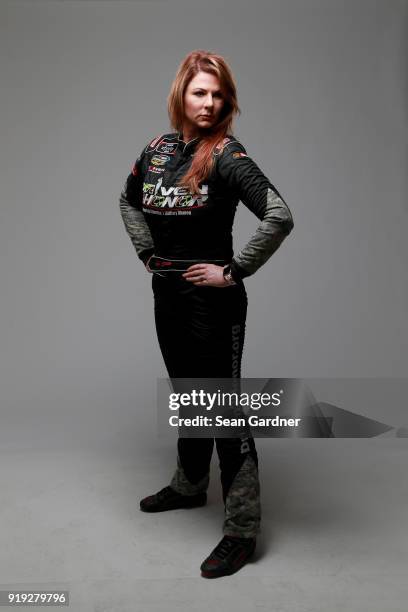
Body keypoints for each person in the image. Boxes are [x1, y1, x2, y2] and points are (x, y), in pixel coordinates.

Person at [119, 50, 294, 578]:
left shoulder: (227, 156)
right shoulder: (157, 150)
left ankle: (241, 530)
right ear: (181, 95)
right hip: (167, 295)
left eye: (218, 94)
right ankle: (190, 486)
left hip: (214, 302)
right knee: (188, 394)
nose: (209, 102)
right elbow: (128, 200)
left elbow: (279, 214)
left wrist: (235, 269)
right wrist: (147, 254)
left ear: (227, 101)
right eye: (200, 92)